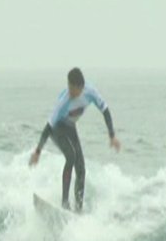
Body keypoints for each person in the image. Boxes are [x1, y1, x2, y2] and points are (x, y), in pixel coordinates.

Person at [29, 67, 121, 212]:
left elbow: (105, 110)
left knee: (81, 169)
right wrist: (38, 152)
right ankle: (65, 204)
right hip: (57, 129)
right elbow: (48, 127)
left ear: (80, 87)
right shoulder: (64, 101)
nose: (70, 92)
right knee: (71, 156)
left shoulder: (90, 92)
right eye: (68, 87)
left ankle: (78, 210)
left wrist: (112, 135)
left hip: (70, 127)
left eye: (72, 89)